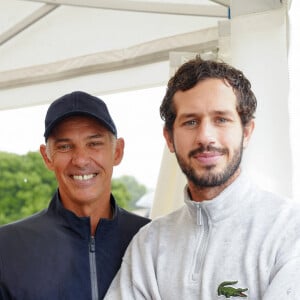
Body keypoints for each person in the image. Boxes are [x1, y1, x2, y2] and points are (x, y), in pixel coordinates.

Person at [104, 57, 300, 299]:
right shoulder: (149, 244)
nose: (205, 137)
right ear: (169, 138)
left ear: (247, 132)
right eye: (191, 121)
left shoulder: (289, 230)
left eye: (221, 119)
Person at [0, 91, 150, 299]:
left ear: (117, 151)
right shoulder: (7, 246)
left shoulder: (151, 239)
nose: (80, 159)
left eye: (94, 143)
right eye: (64, 146)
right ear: (47, 157)